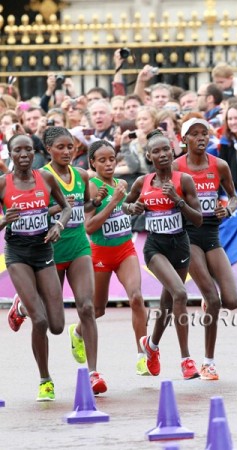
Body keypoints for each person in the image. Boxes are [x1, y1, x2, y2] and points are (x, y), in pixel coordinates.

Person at [8, 127, 108, 395]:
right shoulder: (41, 176)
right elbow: (44, 207)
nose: (66, 152)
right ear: (49, 150)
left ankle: (93, 373)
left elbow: (79, 207)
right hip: (42, 252)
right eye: (60, 147)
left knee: (85, 308)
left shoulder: (81, 175)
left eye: (70, 147)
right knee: (46, 322)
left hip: (75, 247)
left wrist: (93, 204)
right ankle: (24, 306)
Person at [123, 129, 203, 380]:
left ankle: (152, 346)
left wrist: (177, 200)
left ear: (173, 151)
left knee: (168, 305)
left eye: (166, 149)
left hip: (180, 246)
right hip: (155, 248)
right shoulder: (142, 182)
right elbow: (125, 205)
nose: (162, 154)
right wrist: (133, 207)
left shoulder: (184, 180)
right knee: (180, 293)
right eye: (156, 151)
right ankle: (186, 359)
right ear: (149, 156)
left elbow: (199, 219)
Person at [0, 133, 72, 401]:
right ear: (10, 154)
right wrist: (4, 220)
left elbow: (66, 208)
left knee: (56, 325)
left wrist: (59, 225)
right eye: (18, 150)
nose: (23, 155)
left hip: (43, 250)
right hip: (17, 253)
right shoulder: (3, 184)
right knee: (39, 320)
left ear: (35, 152)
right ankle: (45, 380)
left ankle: (20, 305)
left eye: (28, 150)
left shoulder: (46, 178)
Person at [174, 117, 237, 379]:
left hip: (212, 232)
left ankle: (206, 299)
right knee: (214, 299)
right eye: (195, 134)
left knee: (232, 302)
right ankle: (208, 362)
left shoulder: (219, 165)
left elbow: (233, 196)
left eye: (205, 133)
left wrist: (229, 210)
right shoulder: (176, 166)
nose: (201, 137)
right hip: (188, 234)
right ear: (184, 139)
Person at [84, 139, 149, 376]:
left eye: (112, 159)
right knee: (98, 310)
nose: (109, 164)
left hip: (124, 250)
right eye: (102, 161)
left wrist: (134, 207)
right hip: (100, 253)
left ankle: (143, 355)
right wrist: (112, 201)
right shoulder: (91, 187)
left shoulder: (122, 183)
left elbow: (125, 210)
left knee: (136, 297)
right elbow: (89, 227)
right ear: (93, 163)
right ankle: (78, 332)